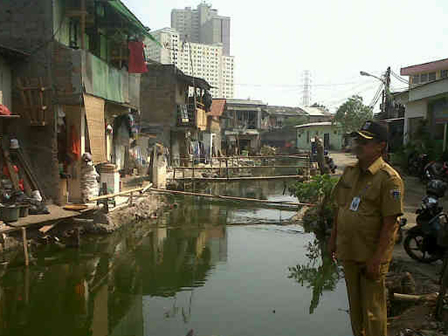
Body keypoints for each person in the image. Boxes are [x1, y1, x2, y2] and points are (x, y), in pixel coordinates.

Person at [328, 120, 404, 336]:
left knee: (373, 311)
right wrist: (333, 240)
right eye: (358, 139)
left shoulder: (389, 179)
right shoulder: (350, 172)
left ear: (380, 146)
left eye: (366, 141)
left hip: (370, 255)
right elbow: (340, 208)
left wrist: (377, 259)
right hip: (349, 251)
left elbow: (390, 225)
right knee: (355, 308)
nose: (359, 144)